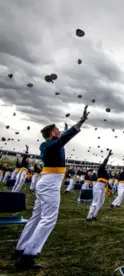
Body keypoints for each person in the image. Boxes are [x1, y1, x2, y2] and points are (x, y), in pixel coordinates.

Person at [15, 105, 89, 270]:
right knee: (48, 219)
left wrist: (64, 130)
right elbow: (63, 139)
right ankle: (28, 255)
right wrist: (80, 122)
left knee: (37, 217)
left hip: (47, 181)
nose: (59, 132)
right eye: (57, 130)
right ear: (53, 133)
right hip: (49, 184)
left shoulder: (48, 145)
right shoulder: (51, 145)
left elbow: (61, 141)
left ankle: (21, 248)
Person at [87, 150, 112, 221]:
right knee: (95, 202)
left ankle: (94, 215)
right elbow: (104, 163)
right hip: (98, 186)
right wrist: (108, 156)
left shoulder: (105, 172)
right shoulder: (101, 169)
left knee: (101, 202)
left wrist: (110, 189)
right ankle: (89, 216)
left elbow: (107, 181)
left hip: (104, 187)